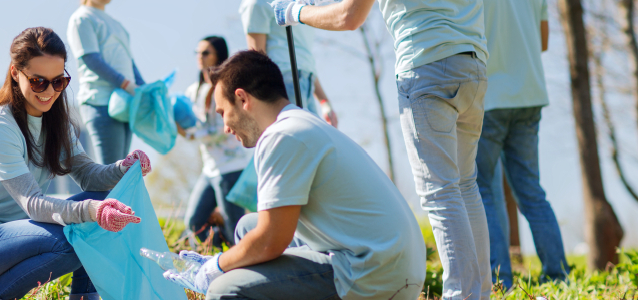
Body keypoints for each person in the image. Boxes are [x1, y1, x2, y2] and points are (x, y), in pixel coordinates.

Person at [165, 50, 425, 299]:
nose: (225, 128)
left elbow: (270, 241)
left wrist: (216, 267)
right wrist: (226, 263)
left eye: (224, 113)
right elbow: (268, 232)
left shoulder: (282, 136)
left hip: (373, 274)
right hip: (391, 262)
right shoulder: (300, 123)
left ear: (243, 99)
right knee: (247, 227)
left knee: (224, 290)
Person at [274, 0, 491, 298]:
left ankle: (462, 295)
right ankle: (479, 293)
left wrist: (294, 12)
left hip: (427, 67)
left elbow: (349, 16)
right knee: (465, 186)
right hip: (472, 65)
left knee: (441, 192)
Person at [0, 27, 150, 300]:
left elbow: (88, 176)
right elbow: (33, 204)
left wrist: (123, 168)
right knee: (80, 238)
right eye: (38, 81)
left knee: (103, 204)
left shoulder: (56, 124)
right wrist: (93, 211)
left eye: (58, 82)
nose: (49, 91)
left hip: (16, 240)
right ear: (15, 73)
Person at [477, 0, 567, 290]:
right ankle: (558, 277)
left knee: (481, 190)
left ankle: (501, 282)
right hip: (530, 93)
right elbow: (542, 41)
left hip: (489, 98)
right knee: (531, 192)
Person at [180, 36, 250, 247]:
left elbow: (223, 128)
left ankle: (245, 264)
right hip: (209, 169)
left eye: (205, 53)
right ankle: (225, 256)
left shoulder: (227, 86)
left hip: (231, 166)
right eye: (197, 53)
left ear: (218, 55)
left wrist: (191, 135)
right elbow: (191, 121)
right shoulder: (193, 90)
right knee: (194, 222)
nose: (200, 57)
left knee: (235, 226)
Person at [67, 0, 146, 164]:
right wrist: (126, 84)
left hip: (126, 103)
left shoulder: (117, 24)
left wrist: (144, 89)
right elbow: (91, 59)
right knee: (111, 173)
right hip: (101, 102)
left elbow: (129, 63)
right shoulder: (82, 18)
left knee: (121, 172)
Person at [238, 0, 337, 127]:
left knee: (311, 142)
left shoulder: (300, 4)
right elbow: (257, 61)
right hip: (282, 81)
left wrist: (324, 101)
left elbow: (303, 59)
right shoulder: (257, 3)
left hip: (306, 81)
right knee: (300, 140)